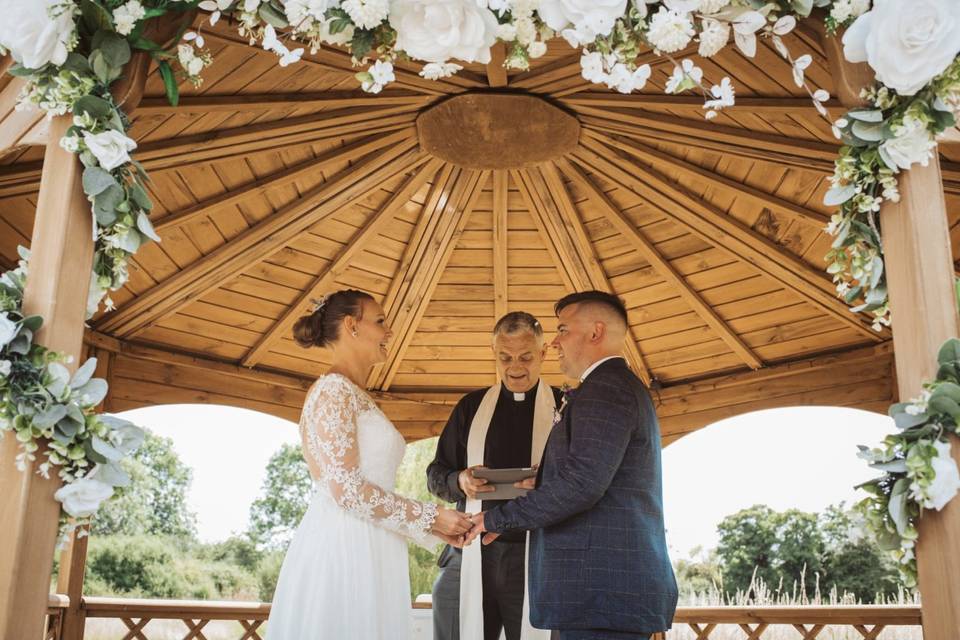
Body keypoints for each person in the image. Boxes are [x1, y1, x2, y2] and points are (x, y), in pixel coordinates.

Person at [466, 291, 678, 640]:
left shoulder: (606, 388)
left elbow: (582, 485)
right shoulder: (612, 387)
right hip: (599, 596)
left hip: (601, 592)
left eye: (563, 329)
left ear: (595, 332)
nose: (556, 341)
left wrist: (495, 518)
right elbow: (590, 476)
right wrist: (546, 478)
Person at [266, 289, 473, 640]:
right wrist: (430, 516)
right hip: (346, 547)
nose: (389, 332)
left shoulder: (354, 394)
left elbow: (366, 486)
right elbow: (346, 490)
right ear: (352, 325)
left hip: (372, 539)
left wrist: (430, 527)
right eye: (380, 321)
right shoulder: (333, 391)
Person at [427, 312, 562, 640]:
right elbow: (435, 475)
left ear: (543, 354)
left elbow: (583, 482)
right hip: (471, 551)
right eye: (505, 357)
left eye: (526, 356)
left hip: (536, 554)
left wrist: (546, 481)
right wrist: (460, 480)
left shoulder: (565, 407)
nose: (515, 366)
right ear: (494, 354)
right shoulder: (470, 407)